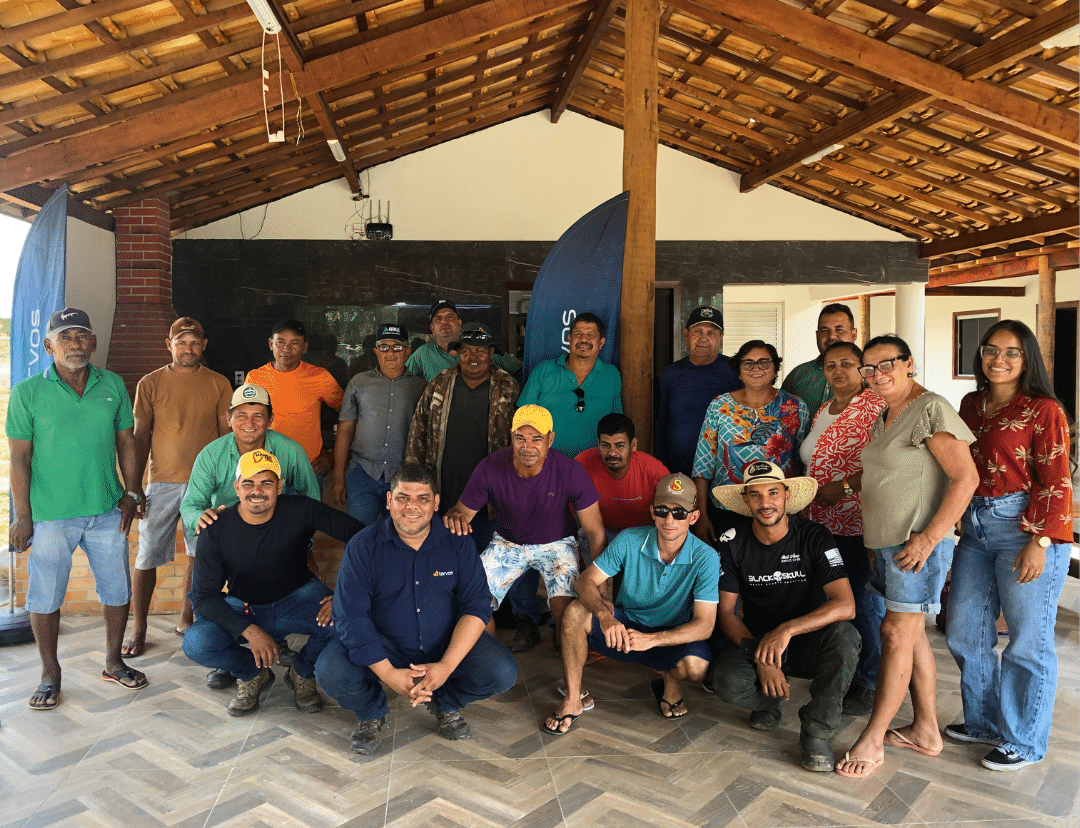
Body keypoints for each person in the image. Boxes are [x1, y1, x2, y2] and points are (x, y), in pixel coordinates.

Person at [836, 334, 978, 779]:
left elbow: (966, 477)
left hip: (916, 546)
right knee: (911, 636)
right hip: (890, 545)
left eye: (886, 365)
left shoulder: (930, 408)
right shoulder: (886, 416)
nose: (877, 375)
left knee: (896, 633)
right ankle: (925, 730)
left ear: (908, 363)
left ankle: (873, 737)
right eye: (869, 369)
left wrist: (929, 538)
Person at [315, 462, 518, 754]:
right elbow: (350, 617)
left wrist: (446, 667)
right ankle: (372, 713)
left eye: (422, 498)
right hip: (385, 645)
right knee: (330, 670)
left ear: (436, 503)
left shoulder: (459, 544)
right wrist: (388, 674)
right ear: (388, 501)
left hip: (443, 642)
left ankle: (444, 703)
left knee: (501, 671)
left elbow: (476, 606)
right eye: (402, 498)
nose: (412, 507)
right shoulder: (362, 546)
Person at [945, 320, 1074, 771]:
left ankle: (1023, 740)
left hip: (1023, 527)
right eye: (991, 350)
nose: (999, 359)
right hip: (976, 528)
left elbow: (1057, 480)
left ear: (1027, 359)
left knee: (1027, 643)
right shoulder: (971, 404)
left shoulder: (1043, 409)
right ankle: (982, 722)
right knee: (964, 630)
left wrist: (1040, 541)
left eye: (1012, 352)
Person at [7, 308, 147, 709]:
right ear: (49, 345)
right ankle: (50, 673)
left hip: (106, 510)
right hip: (50, 514)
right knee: (45, 597)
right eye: (65, 337)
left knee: (117, 590)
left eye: (82, 336)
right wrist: (22, 516)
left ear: (94, 343)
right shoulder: (28, 392)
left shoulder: (113, 384)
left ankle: (114, 662)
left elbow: (127, 441)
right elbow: (18, 458)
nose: (75, 343)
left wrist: (132, 493)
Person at [183, 450, 363, 716]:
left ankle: (302, 671)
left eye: (266, 483)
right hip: (246, 607)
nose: (257, 491)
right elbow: (203, 597)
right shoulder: (216, 527)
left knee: (346, 619)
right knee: (197, 642)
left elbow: (363, 538)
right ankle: (252, 672)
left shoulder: (301, 508)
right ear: (237, 487)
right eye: (248, 483)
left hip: (299, 598)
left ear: (279, 486)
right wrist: (248, 630)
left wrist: (345, 594)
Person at [709, 461, 860, 773]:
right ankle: (770, 699)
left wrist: (788, 629)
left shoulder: (814, 536)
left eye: (773, 493)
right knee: (723, 680)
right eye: (756, 495)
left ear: (786, 495)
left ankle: (817, 731)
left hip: (808, 641)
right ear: (746, 500)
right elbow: (725, 612)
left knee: (846, 637)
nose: (766, 503)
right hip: (759, 642)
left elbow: (846, 605)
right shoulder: (731, 541)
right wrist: (761, 657)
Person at [543, 473, 719, 734]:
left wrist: (653, 639)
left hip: (670, 636)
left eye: (680, 513)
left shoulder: (707, 557)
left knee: (696, 667)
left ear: (693, 517)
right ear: (652, 512)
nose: (669, 520)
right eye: (663, 510)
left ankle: (670, 679)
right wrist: (605, 616)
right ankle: (572, 698)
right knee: (575, 611)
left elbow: (704, 626)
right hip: (626, 628)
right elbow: (584, 582)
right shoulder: (629, 539)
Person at [179, 382, 320, 688]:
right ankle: (238, 662)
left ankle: (286, 652)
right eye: (241, 415)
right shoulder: (212, 454)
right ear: (229, 418)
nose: (249, 423)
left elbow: (311, 500)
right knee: (208, 616)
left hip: (277, 535)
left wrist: (304, 544)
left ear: (270, 420)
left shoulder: (289, 450)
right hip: (228, 540)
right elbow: (190, 503)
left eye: (258, 415)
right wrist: (198, 519)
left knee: (303, 595)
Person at [443, 405, 608, 644]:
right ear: (511, 437)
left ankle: (563, 646)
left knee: (566, 609)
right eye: (520, 438)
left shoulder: (569, 470)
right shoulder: (491, 466)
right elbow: (462, 513)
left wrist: (599, 588)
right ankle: (493, 660)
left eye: (536, 439)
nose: (527, 447)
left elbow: (595, 531)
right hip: (508, 542)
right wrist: (455, 516)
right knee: (475, 601)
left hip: (557, 542)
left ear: (550, 439)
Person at [123, 317, 232, 657]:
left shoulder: (218, 383)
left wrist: (224, 485)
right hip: (161, 482)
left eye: (194, 342)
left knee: (201, 555)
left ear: (204, 345)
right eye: (181, 342)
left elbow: (225, 438)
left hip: (206, 484)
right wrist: (135, 487)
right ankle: (138, 627)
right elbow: (140, 438)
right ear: (168, 345)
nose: (188, 347)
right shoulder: (150, 383)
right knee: (147, 555)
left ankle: (188, 615)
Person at [800, 340, 887, 716]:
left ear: (863, 369)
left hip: (856, 521)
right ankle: (842, 671)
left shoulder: (875, 406)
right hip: (818, 523)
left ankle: (869, 680)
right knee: (831, 599)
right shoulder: (823, 409)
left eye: (847, 364)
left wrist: (845, 487)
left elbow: (885, 461)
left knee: (861, 602)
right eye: (830, 364)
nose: (838, 371)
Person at [692, 340, 810, 543]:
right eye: (748, 363)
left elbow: (805, 463)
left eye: (764, 362)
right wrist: (701, 516)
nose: (756, 368)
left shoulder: (795, 406)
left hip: (779, 511)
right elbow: (704, 465)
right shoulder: (719, 406)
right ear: (739, 371)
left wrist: (803, 511)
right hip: (727, 511)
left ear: (775, 370)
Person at [331, 323, 425, 525]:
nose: (390, 352)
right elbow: (345, 430)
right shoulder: (359, 382)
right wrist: (339, 476)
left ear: (407, 351)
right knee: (358, 536)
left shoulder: (420, 386)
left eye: (397, 347)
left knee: (401, 537)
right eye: (384, 347)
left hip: (403, 475)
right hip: (362, 473)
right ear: (376, 351)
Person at [247, 319, 344, 478]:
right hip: (267, 469)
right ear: (271, 344)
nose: (286, 348)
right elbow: (244, 422)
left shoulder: (319, 376)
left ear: (304, 347)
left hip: (308, 469)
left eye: (294, 343)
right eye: (280, 342)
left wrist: (332, 454)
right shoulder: (255, 378)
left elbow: (348, 415)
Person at [518, 312, 623, 458]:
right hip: (548, 463)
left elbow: (617, 423)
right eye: (578, 334)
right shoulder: (543, 370)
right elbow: (523, 419)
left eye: (591, 335)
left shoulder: (611, 375)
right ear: (569, 338)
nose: (584, 339)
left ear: (601, 343)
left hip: (595, 464)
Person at [655, 306, 741, 476]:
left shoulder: (736, 371)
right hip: (678, 470)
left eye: (711, 333)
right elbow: (662, 424)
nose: (704, 338)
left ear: (721, 338)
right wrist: (661, 469)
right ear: (686, 334)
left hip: (725, 471)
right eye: (697, 331)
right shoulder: (670, 374)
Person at [574, 413, 669, 536]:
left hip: (643, 537)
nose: (612, 453)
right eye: (605, 445)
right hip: (599, 532)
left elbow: (672, 518)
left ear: (633, 445)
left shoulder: (654, 471)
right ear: (598, 444)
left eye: (619, 446)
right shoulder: (582, 464)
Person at [405, 299, 522, 381]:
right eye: (438, 319)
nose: (444, 322)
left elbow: (521, 371)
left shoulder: (484, 348)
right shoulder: (423, 354)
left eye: (449, 317)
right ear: (432, 328)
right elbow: (405, 380)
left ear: (459, 324)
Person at [781, 303, 858, 411]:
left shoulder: (870, 375)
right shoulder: (798, 376)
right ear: (817, 336)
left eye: (839, 329)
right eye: (824, 330)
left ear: (854, 334)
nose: (831, 336)